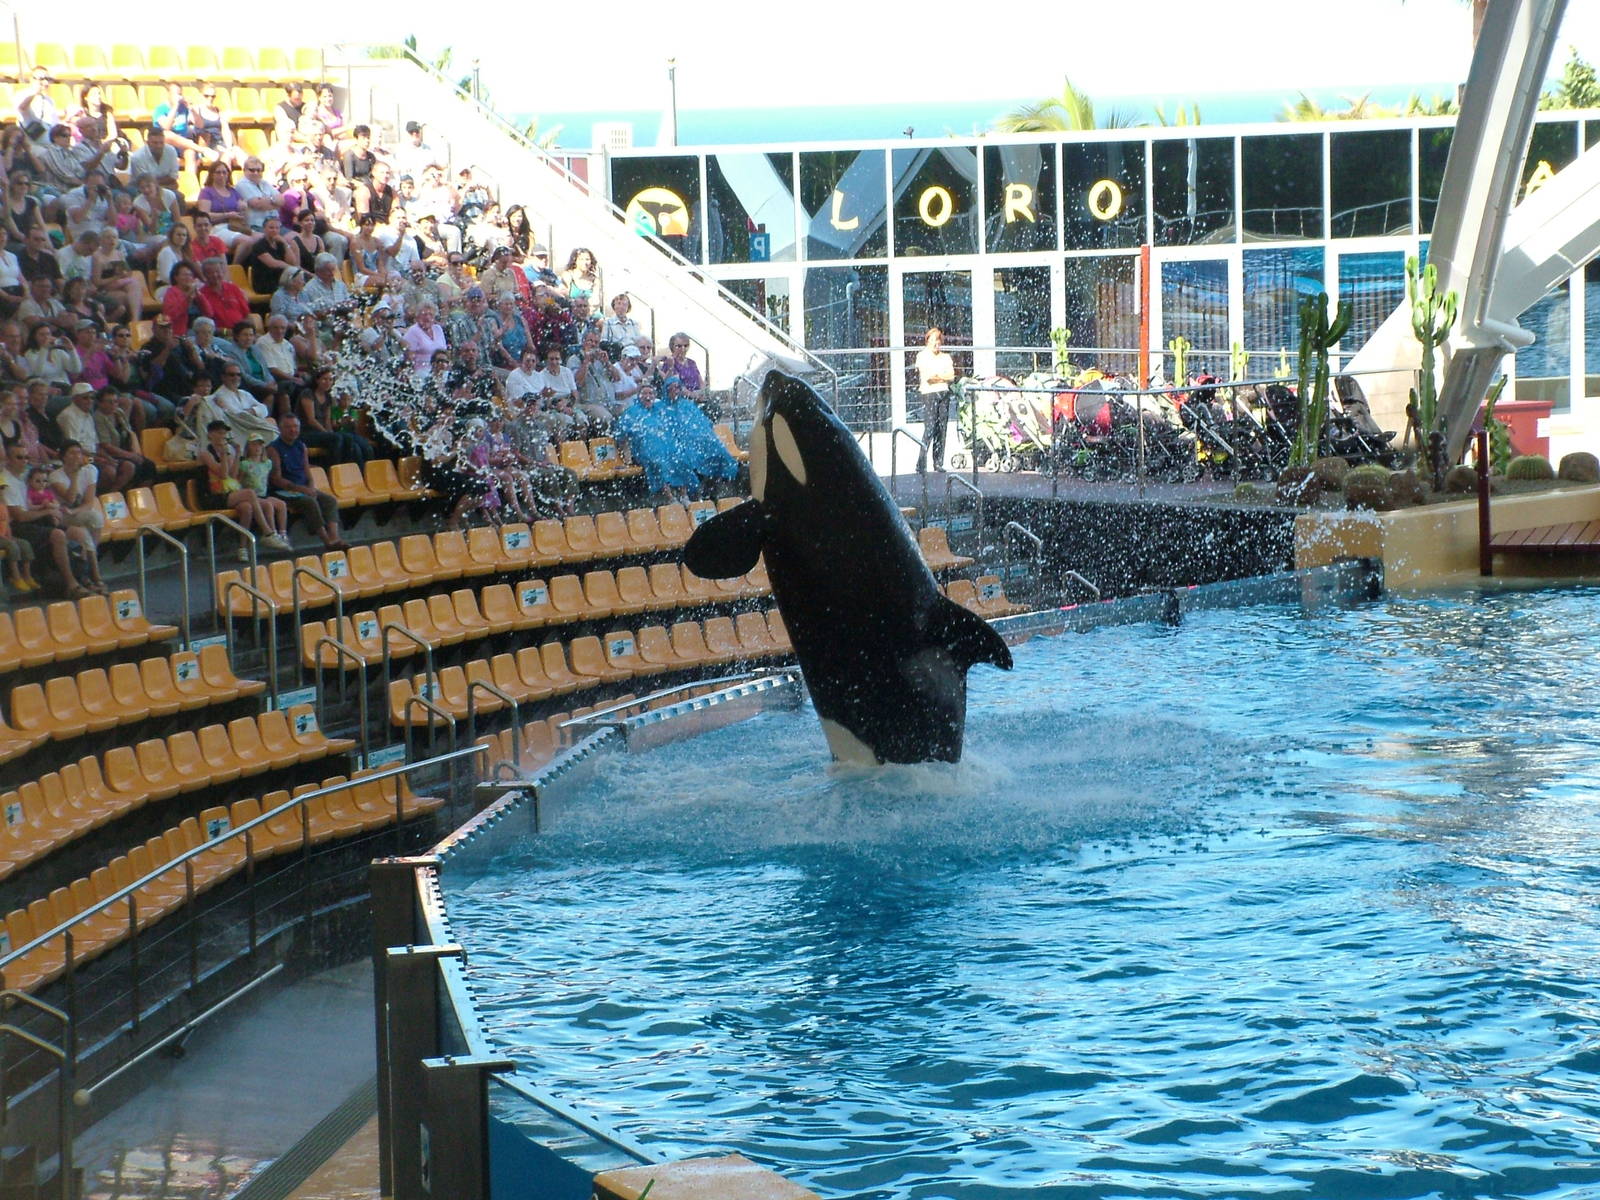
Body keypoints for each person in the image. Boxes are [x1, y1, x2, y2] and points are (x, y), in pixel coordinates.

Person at [2, 439, 102, 597]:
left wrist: (48, 507)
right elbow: (19, 516)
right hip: (16, 527)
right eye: (19, 457)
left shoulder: (25, 476)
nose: (24, 461)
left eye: (27, 457)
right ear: (8, 459)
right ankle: (71, 584)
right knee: (58, 535)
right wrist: (47, 512)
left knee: (79, 533)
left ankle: (88, 579)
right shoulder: (5, 482)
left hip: (34, 519)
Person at [198, 419, 291, 550]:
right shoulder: (205, 454)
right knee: (249, 493)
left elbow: (233, 475)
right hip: (211, 496)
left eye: (224, 433)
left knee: (247, 507)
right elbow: (223, 474)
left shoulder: (227, 453)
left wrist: (236, 454)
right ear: (210, 435)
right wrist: (225, 455)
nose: (223, 436)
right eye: (219, 433)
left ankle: (243, 548)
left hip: (227, 493)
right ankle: (268, 533)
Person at [267, 413, 346, 550]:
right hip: (283, 490)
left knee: (330, 500)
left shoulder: (301, 446)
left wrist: (311, 487)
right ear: (280, 429)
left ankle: (335, 537)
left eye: (295, 426)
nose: (293, 430)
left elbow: (307, 470)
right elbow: (276, 479)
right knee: (309, 502)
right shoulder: (273, 448)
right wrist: (302, 490)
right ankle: (326, 540)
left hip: (303, 487)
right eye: (288, 427)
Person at [914, 325, 956, 472]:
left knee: (942, 428)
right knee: (930, 427)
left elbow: (951, 376)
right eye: (933, 340)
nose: (936, 343)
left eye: (938, 340)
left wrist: (939, 376)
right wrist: (940, 377)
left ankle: (938, 462)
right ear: (927, 341)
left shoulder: (945, 357)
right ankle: (921, 462)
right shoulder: (922, 356)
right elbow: (928, 377)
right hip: (929, 393)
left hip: (943, 393)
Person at [46, 439, 103, 541]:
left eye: (79, 453)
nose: (77, 456)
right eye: (72, 453)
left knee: (95, 517)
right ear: (64, 457)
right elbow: (70, 499)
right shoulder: (55, 476)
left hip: (77, 511)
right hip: (62, 513)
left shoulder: (90, 471)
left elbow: (89, 502)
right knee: (93, 518)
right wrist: (74, 477)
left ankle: (93, 552)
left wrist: (74, 511)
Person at [0, 493, 40, 593]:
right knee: (12, 546)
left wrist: (9, 536)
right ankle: (16, 577)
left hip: (4, 536)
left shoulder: (2, 505)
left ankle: (27, 576)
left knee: (24, 544)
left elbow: (6, 524)